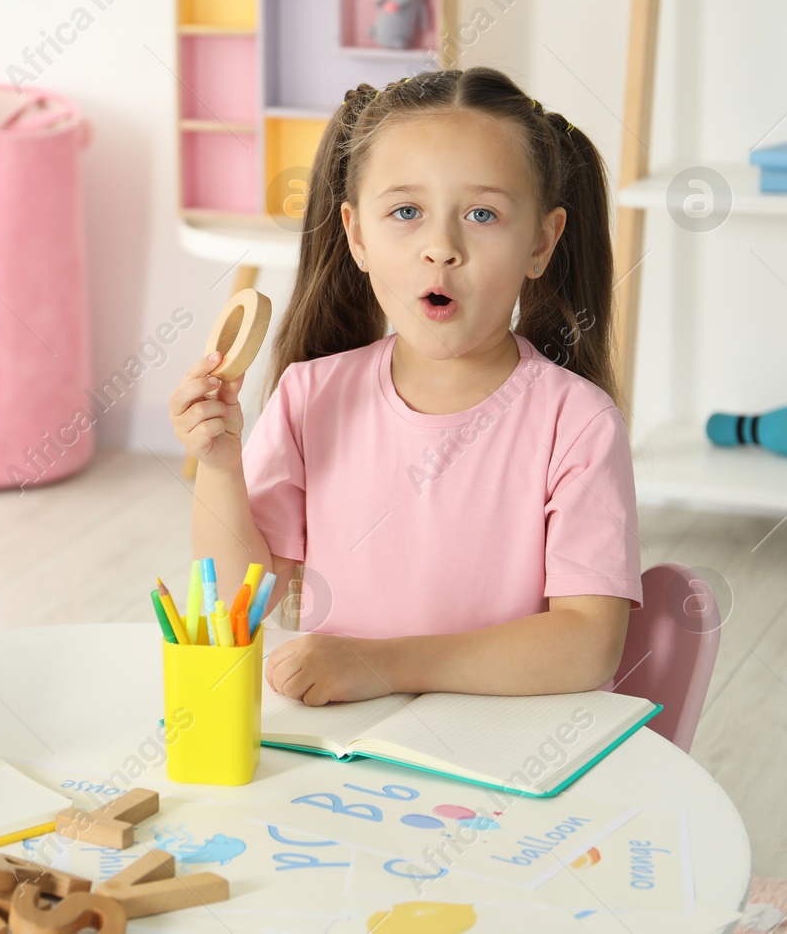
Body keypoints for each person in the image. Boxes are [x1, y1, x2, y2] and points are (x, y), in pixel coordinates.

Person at [170, 67, 642, 706]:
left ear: (542, 240)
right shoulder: (312, 396)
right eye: (406, 212)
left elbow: (587, 644)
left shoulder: (577, 421)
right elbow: (236, 606)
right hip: (347, 744)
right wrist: (220, 470)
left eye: (482, 213)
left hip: (506, 757)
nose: (441, 247)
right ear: (356, 234)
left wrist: (381, 665)